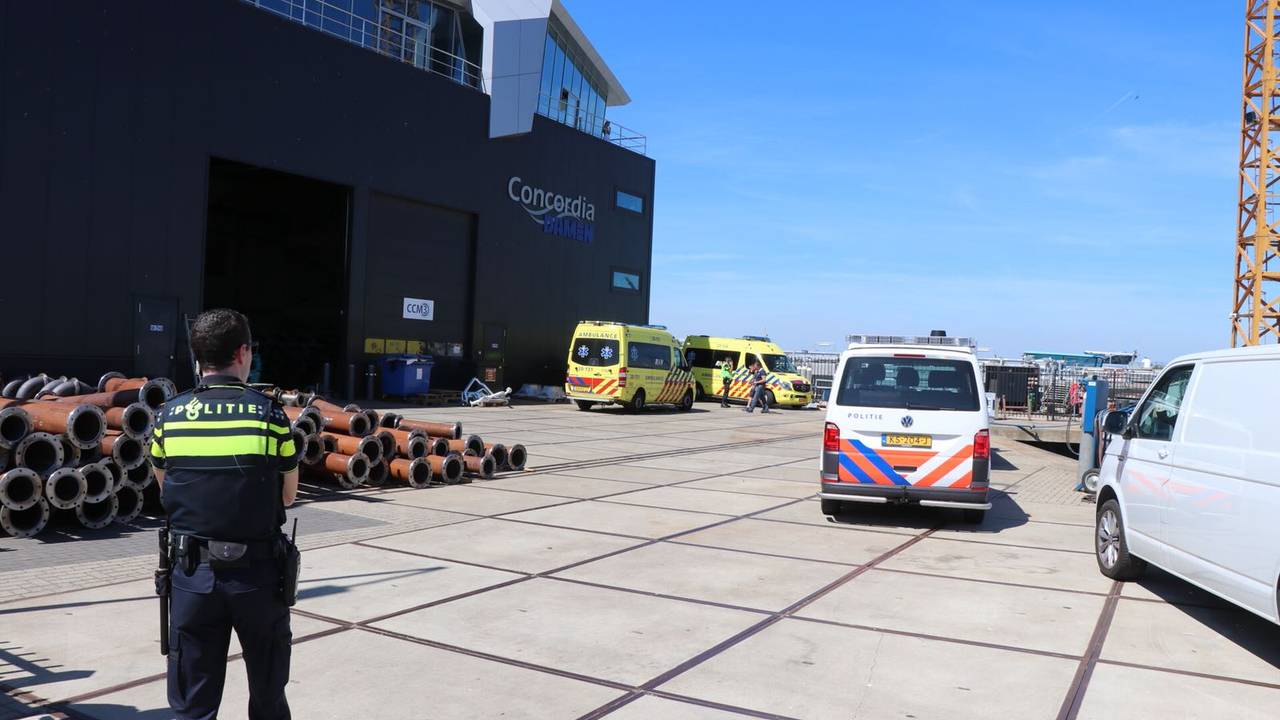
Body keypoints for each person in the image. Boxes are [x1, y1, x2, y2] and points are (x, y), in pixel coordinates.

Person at [151, 308, 299, 720]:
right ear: (243, 353)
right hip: (258, 579)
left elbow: (167, 487)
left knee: (193, 704)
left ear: (199, 358)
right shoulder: (270, 416)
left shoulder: (168, 417)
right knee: (268, 698)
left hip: (192, 577)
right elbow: (287, 497)